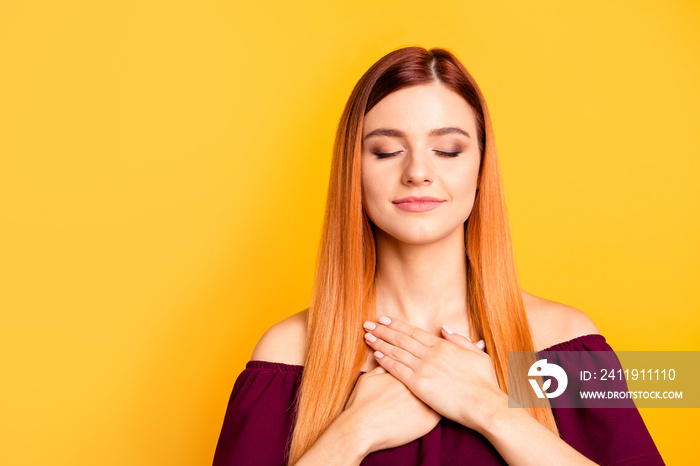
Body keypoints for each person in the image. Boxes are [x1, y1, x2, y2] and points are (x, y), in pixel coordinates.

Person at [212, 46, 665, 465]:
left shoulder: (567, 346)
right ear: (354, 169)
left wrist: (491, 410)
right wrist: (353, 432)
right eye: (386, 150)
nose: (418, 172)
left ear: (482, 167)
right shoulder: (289, 353)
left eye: (447, 150)